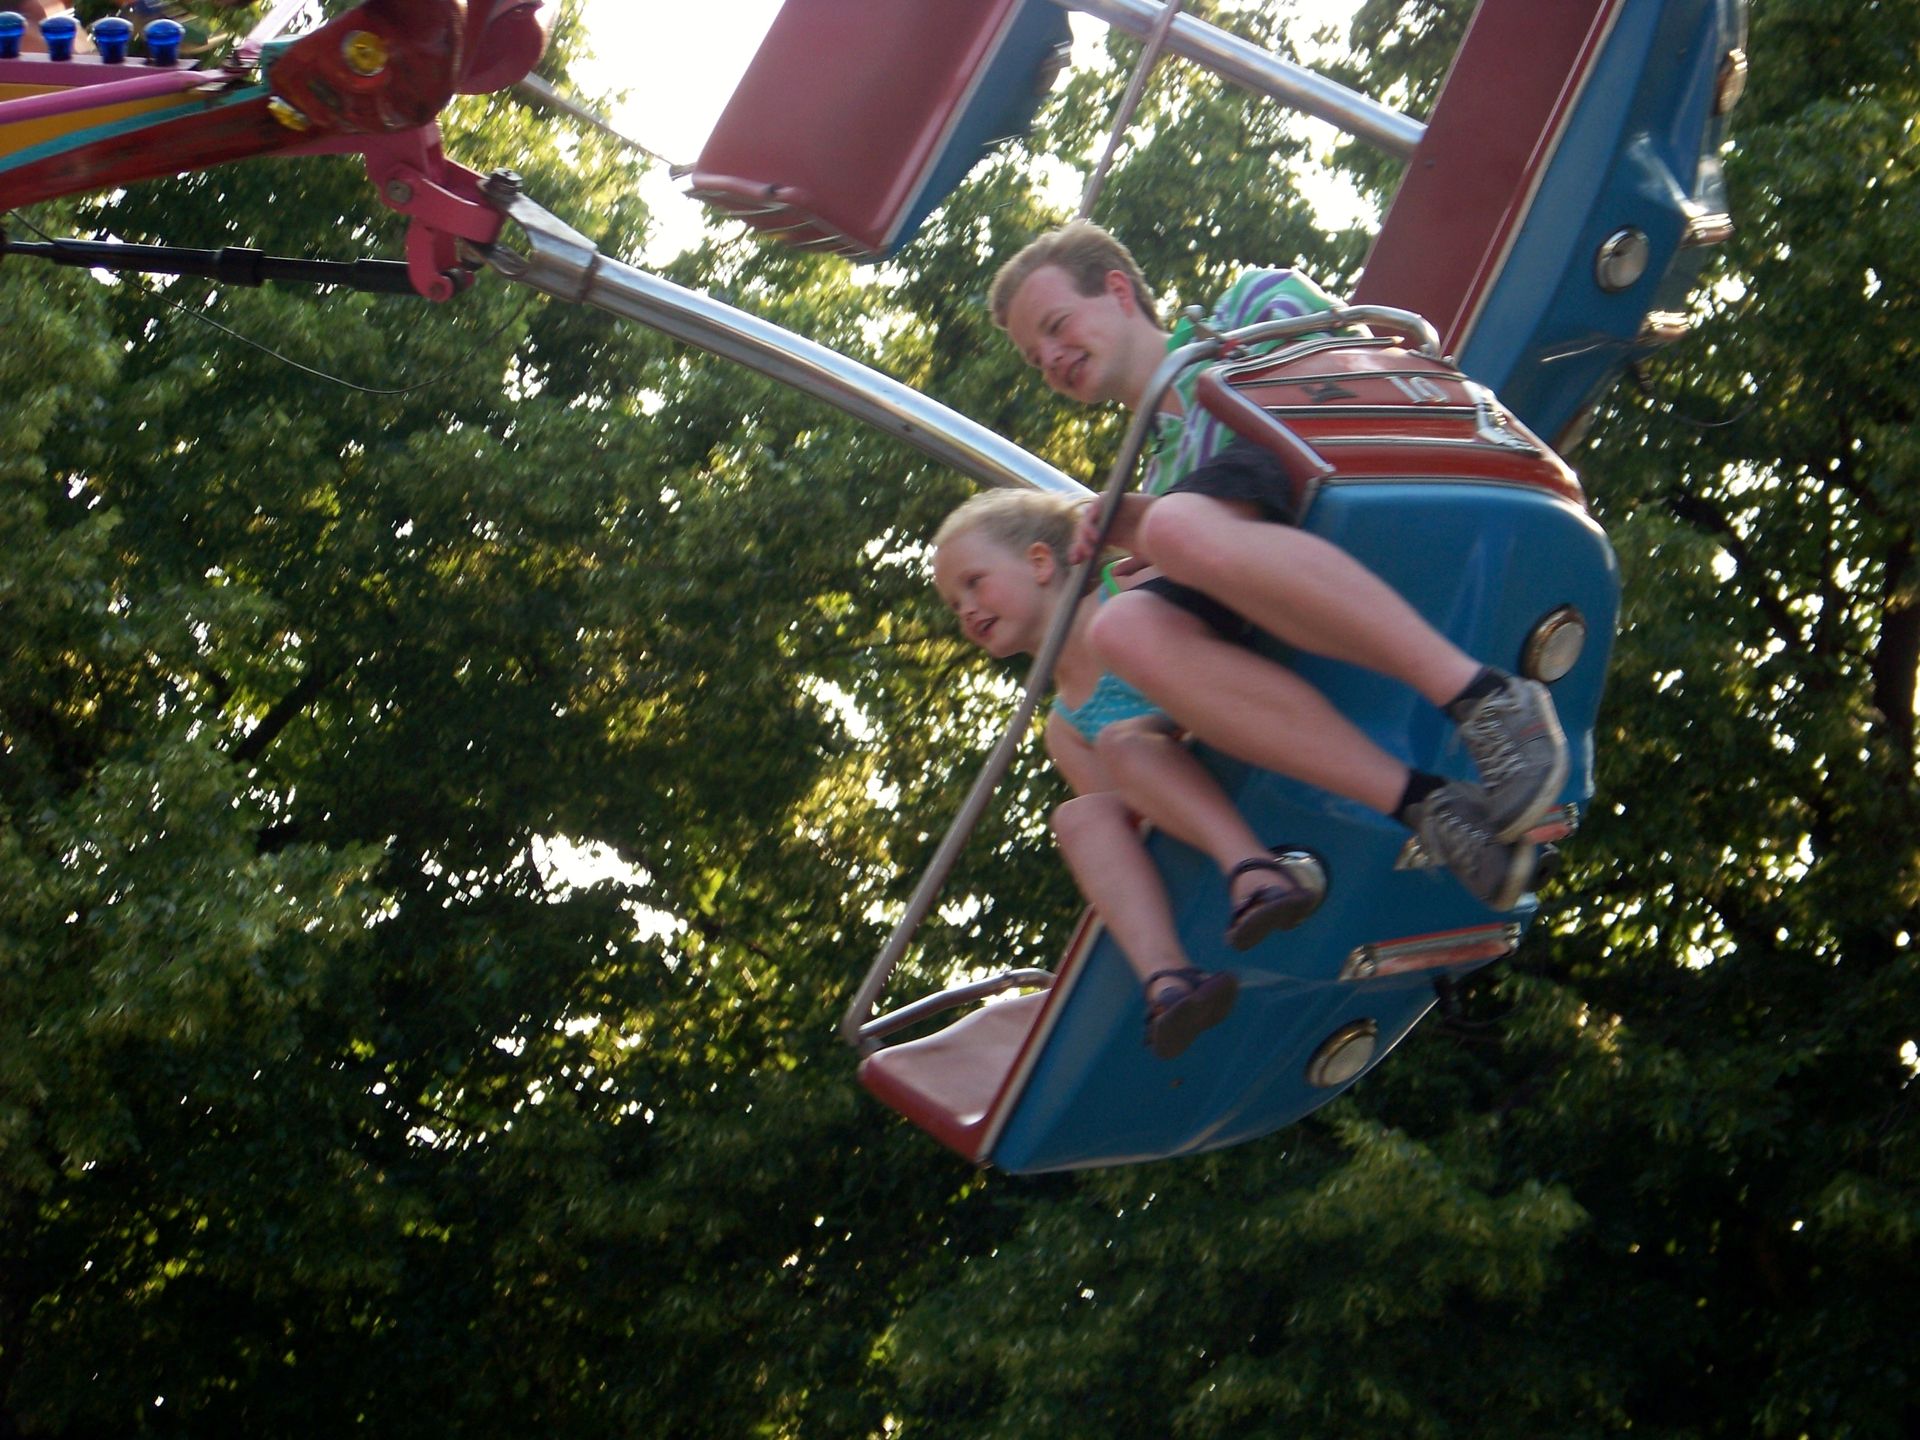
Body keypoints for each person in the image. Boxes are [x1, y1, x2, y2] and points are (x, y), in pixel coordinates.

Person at [987, 220, 1569, 908]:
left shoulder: (1246, 311)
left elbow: (1343, 377)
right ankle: (1429, 805)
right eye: (1036, 358)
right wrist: (1141, 523)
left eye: (1057, 327)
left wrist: (1162, 521)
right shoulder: (1160, 465)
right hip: (1268, 554)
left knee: (1174, 526)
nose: (1052, 358)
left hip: (1368, 482)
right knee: (1124, 630)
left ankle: (1486, 699)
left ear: (1118, 291)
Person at [932, 488, 1328, 1060]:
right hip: (1187, 798)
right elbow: (1134, 821)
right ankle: (1168, 979)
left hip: (1246, 728)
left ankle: (1255, 870)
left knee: (1124, 743)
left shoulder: (1130, 588)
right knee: (1077, 817)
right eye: (953, 604)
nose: (966, 610)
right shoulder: (1067, 725)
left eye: (974, 582)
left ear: (1040, 562)